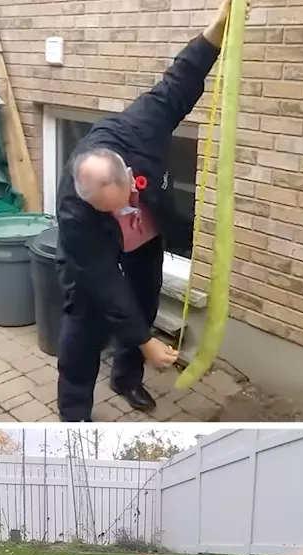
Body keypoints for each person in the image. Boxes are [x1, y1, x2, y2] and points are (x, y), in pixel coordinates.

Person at [54, 0, 241, 421]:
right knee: (85, 323)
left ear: (126, 174)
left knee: (143, 297)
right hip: (95, 260)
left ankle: (126, 378)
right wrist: (147, 341)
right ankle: (74, 411)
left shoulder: (141, 128)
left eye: (122, 202)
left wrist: (218, 25)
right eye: (109, 209)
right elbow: (104, 283)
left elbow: (180, 80)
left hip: (145, 239)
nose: (120, 210)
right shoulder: (75, 213)